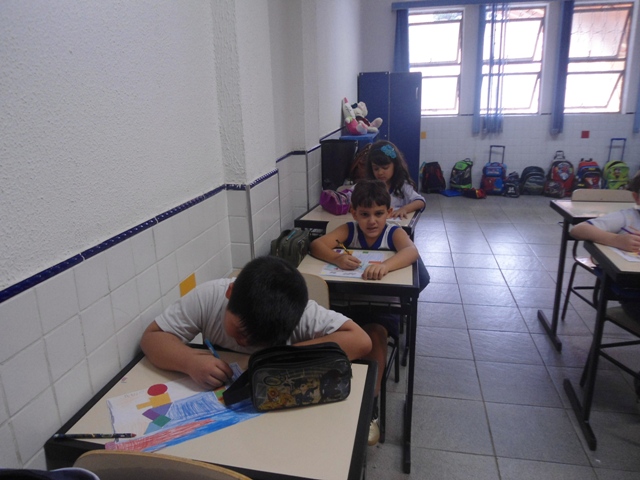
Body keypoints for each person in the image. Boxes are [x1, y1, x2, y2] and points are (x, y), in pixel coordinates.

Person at [309, 179, 427, 446]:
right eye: (364, 214)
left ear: (388, 212)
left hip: (382, 308)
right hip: (346, 306)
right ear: (354, 213)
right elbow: (317, 245)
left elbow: (411, 252)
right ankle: (331, 394)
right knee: (330, 336)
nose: (372, 221)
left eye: (378, 213)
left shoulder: (393, 233)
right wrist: (338, 257)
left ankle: (370, 406)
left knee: (375, 337)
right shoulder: (349, 230)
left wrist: (386, 266)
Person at [140, 256, 372, 390]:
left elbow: (361, 341)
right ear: (230, 292)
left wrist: (280, 357)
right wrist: (189, 361)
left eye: (260, 340)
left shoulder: (301, 313)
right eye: (241, 331)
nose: (245, 342)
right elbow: (152, 338)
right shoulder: (208, 297)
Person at [570, 170, 640, 320]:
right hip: (634, 295)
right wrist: (617, 240)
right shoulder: (628, 217)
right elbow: (578, 230)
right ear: (636, 198)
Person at [366, 140, 425, 219]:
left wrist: (404, 209)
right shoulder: (366, 186)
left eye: (385, 168)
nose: (380, 172)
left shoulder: (402, 186)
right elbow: (350, 196)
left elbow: (420, 202)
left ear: (395, 166)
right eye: (376, 168)